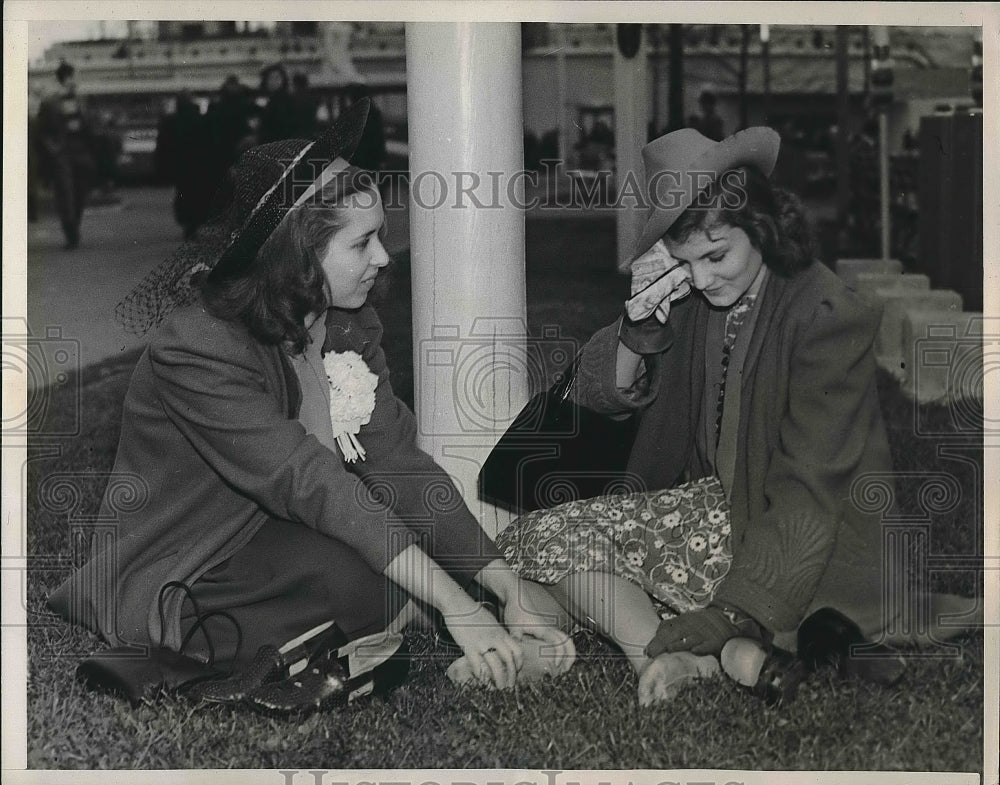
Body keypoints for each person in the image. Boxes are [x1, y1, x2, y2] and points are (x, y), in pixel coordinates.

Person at [47, 100, 573, 710]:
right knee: (355, 569)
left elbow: (397, 464)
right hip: (190, 558)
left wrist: (505, 584)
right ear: (298, 258)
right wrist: (458, 602)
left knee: (377, 547)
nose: (383, 258)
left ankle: (437, 623)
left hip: (284, 532)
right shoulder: (197, 346)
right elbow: (308, 479)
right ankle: (428, 623)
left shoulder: (346, 323)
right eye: (364, 243)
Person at [496, 126, 978, 705]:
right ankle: (672, 655)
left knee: (546, 547)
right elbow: (595, 397)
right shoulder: (697, 298)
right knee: (532, 552)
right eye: (684, 261)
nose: (701, 278)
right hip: (718, 513)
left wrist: (730, 613)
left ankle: (663, 648)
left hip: (802, 542)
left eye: (715, 255)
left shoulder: (825, 311)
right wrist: (638, 328)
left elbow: (808, 492)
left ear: (761, 225)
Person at [37, 61, 96, 249]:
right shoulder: (49, 102)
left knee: (80, 191)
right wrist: (53, 149)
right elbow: (41, 130)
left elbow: (88, 125)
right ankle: (70, 231)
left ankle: (74, 224)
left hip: (81, 151)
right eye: (75, 76)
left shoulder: (81, 99)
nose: (78, 80)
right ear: (67, 78)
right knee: (65, 192)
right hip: (62, 153)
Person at [256, 63, 298, 144]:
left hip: (278, 144)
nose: (274, 82)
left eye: (277, 78)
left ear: (283, 80)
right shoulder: (267, 99)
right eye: (271, 78)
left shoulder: (284, 100)